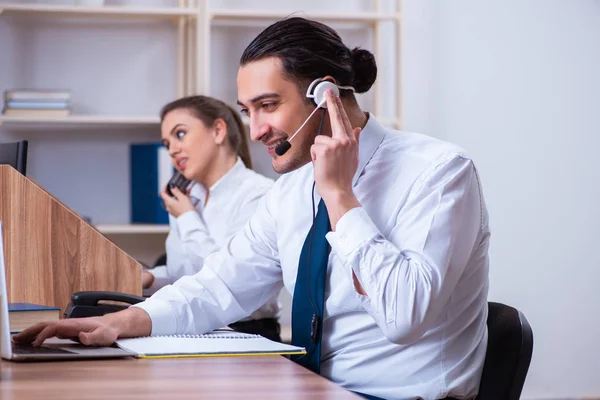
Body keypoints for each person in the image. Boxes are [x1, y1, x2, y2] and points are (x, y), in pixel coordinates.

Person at [15, 17, 490, 400]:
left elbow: (405, 315)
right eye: (247, 110)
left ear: (325, 95)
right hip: (311, 387)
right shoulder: (289, 192)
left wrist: (341, 197)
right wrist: (113, 325)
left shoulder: (438, 171)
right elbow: (218, 286)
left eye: (268, 105)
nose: (256, 129)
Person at [142, 95, 281, 342]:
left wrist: (187, 218)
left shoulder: (259, 194)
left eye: (180, 134)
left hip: (246, 334)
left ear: (218, 131)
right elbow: (189, 276)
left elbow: (228, 277)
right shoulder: (186, 199)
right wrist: (153, 278)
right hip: (192, 330)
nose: (172, 150)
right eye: (167, 142)